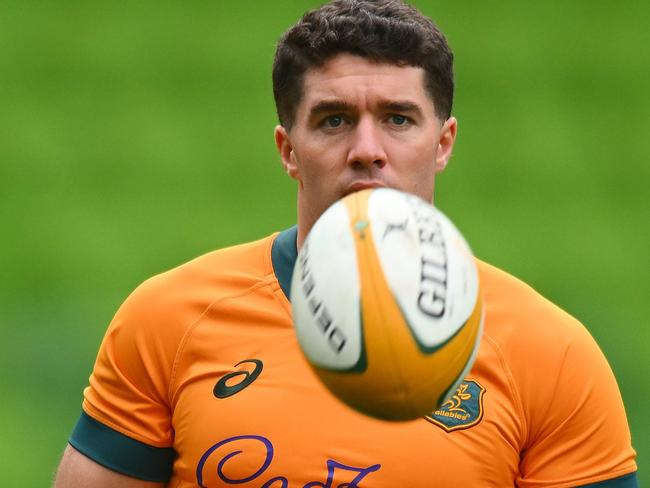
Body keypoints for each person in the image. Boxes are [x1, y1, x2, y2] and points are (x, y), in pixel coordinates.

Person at [54, 1, 638, 486]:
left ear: (443, 142)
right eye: (333, 120)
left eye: (398, 119)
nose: (366, 149)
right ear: (288, 149)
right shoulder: (168, 321)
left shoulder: (549, 354)